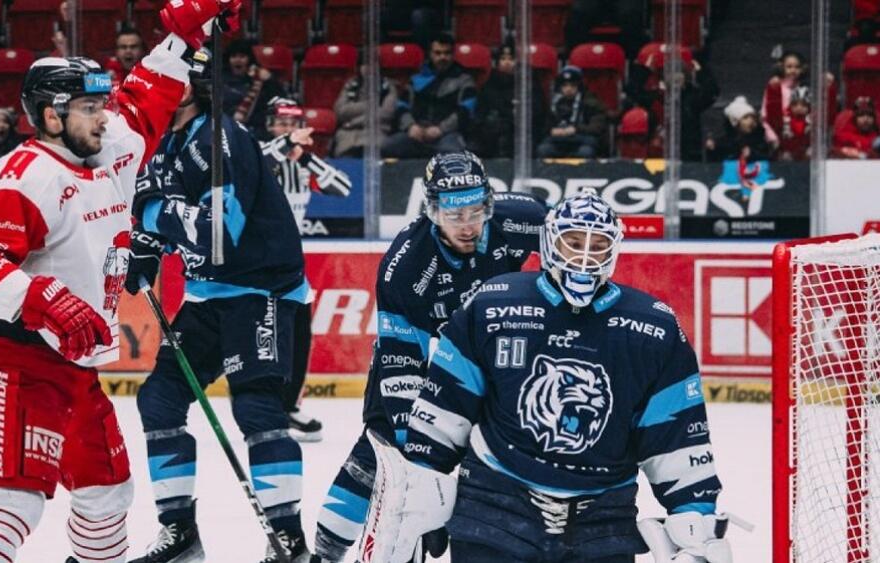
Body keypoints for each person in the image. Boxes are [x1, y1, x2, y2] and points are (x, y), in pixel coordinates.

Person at [0, 1, 241, 562]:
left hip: (77, 368)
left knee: (107, 494)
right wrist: (43, 298)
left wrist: (187, 36)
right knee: (14, 501)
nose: (103, 117)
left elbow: (146, 97)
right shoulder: (28, 176)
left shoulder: (110, 148)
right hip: (24, 361)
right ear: (51, 117)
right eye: (87, 108)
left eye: (100, 104)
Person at [363, 189, 738, 563]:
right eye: (573, 243)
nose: (585, 257)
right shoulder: (492, 306)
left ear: (614, 250)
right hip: (493, 513)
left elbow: (677, 437)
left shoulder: (654, 330)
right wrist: (421, 485)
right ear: (550, 243)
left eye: (598, 246)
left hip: (602, 526)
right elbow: (446, 405)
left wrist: (695, 517)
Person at [309, 152, 548, 563]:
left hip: (492, 361)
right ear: (432, 211)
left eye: (476, 212)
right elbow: (401, 361)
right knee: (380, 450)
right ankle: (324, 555)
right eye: (454, 216)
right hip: (426, 364)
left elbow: (574, 243)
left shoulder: (522, 218)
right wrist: (418, 470)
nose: (468, 225)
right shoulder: (406, 265)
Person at [124, 52, 312, 563]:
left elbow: (216, 235)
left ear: (190, 87)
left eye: (163, 83)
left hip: (260, 292)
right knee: (159, 399)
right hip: (208, 295)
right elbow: (164, 216)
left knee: (256, 408)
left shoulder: (220, 138)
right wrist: (146, 247)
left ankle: (288, 540)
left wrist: (153, 215)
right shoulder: (165, 142)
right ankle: (180, 532)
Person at [260, 96, 352, 442]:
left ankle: (288, 406)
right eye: (281, 123)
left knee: (299, 333)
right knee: (265, 338)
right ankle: (263, 407)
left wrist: (307, 158)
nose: (287, 128)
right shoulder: (256, 154)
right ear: (270, 125)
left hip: (290, 262)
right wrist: (286, 144)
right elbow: (258, 162)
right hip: (256, 260)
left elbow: (343, 188)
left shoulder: (302, 165)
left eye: (293, 123)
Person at [382, 33, 477, 158]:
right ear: (430, 54)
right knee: (386, 148)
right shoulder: (417, 77)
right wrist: (410, 126)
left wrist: (440, 129)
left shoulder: (464, 80)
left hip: (447, 134)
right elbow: (402, 106)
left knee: (453, 155)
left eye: (447, 53)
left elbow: (466, 111)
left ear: (453, 55)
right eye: (438, 53)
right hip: (417, 133)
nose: (442, 57)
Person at [469, 40, 546, 158]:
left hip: (523, 132)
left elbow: (538, 108)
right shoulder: (490, 84)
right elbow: (481, 114)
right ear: (497, 62)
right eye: (503, 59)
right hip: (495, 135)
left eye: (511, 59)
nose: (507, 62)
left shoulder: (529, 82)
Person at [222, 39, 289, 140]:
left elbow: (280, 98)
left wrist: (270, 80)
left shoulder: (260, 79)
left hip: (257, 131)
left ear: (249, 60)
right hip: (227, 129)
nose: (237, 60)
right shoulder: (220, 80)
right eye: (234, 56)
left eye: (242, 56)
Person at [537, 66, 608, 158]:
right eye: (565, 85)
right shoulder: (554, 103)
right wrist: (551, 130)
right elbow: (544, 126)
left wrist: (576, 129)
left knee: (586, 152)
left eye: (572, 85)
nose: (568, 89)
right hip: (558, 141)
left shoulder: (591, 103)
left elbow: (597, 127)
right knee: (544, 150)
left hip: (582, 140)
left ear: (579, 86)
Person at [333, 64, 399, 157]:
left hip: (376, 133)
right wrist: (370, 105)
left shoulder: (388, 87)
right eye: (364, 65)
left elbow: (386, 114)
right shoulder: (351, 85)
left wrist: (353, 121)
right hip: (348, 134)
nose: (368, 69)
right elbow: (340, 110)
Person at [705, 95, 775, 161]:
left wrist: (753, 154)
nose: (751, 121)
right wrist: (712, 149)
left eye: (753, 117)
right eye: (745, 117)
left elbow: (769, 157)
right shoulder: (725, 141)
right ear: (736, 122)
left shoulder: (760, 139)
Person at [766, 85, 811, 161]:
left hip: (807, 160)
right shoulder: (784, 120)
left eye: (803, 105)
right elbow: (772, 113)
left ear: (809, 107)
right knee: (785, 156)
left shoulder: (814, 121)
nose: (799, 108)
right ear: (790, 105)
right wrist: (774, 91)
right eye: (795, 104)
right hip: (787, 160)